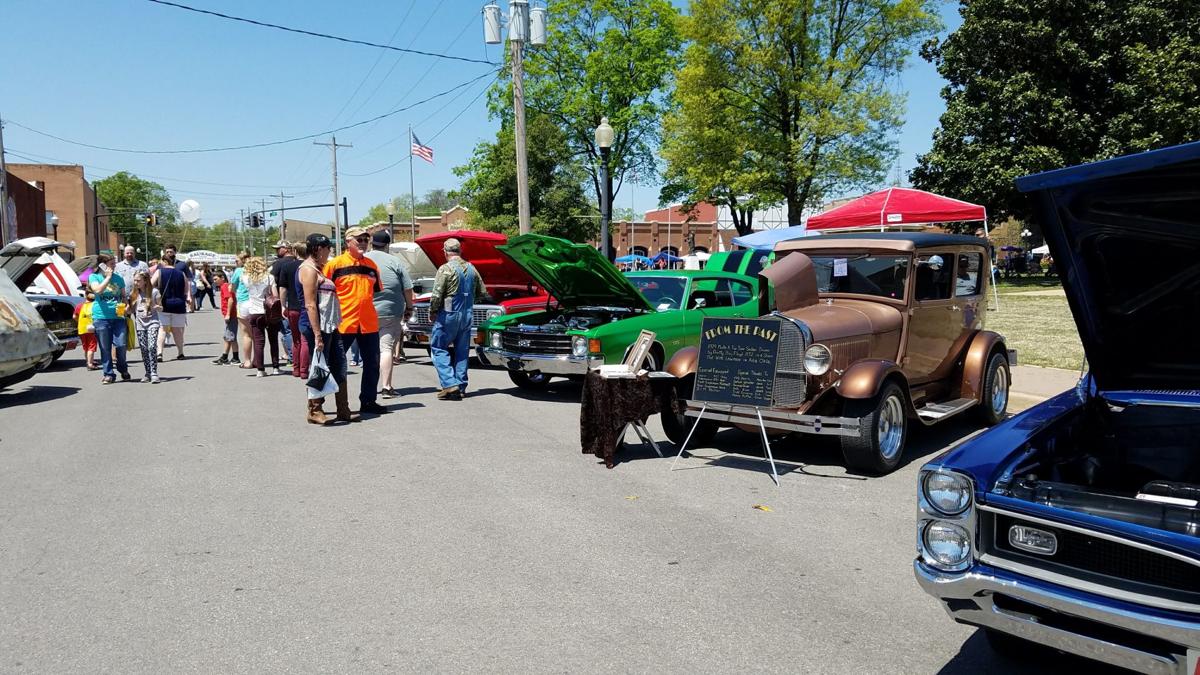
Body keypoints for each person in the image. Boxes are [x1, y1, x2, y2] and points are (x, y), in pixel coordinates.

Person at [323, 226, 388, 415]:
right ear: (348, 242)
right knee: (336, 365)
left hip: (368, 323)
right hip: (344, 322)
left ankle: (368, 401)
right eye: (358, 240)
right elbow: (324, 294)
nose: (362, 243)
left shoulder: (371, 266)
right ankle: (329, 403)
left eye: (365, 240)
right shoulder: (334, 265)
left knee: (373, 363)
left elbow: (375, 292)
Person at [299, 233, 354, 424]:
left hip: (330, 325)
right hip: (317, 326)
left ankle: (343, 409)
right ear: (317, 249)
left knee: (339, 364)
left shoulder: (318, 269)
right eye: (327, 248)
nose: (329, 251)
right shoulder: (308, 270)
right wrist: (317, 334)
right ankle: (314, 410)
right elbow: (310, 304)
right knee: (320, 367)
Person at [428, 237, 487, 400]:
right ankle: (461, 386)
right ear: (460, 251)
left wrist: (433, 311)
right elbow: (482, 292)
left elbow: (437, 294)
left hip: (449, 313)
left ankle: (449, 384)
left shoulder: (445, 269)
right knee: (462, 350)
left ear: (445, 252)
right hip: (467, 313)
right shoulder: (472, 268)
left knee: (439, 347)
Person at [364, 229, 415, 399]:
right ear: (387, 245)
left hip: (365, 312)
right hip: (390, 312)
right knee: (386, 348)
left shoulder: (363, 260)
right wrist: (409, 307)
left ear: (372, 243)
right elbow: (408, 288)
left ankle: (368, 389)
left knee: (370, 351)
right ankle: (386, 387)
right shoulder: (395, 262)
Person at [88, 253, 131, 384]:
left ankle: (122, 368)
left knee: (121, 344)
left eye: (114, 263)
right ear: (102, 265)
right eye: (111, 264)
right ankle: (108, 374)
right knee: (105, 347)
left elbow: (123, 296)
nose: (114, 266)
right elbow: (97, 291)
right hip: (101, 317)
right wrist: (107, 278)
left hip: (118, 316)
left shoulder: (119, 279)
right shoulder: (94, 277)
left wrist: (126, 305)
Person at [239, 257, 281, 377]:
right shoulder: (269, 277)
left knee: (258, 342)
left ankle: (260, 370)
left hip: (254, 311)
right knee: (273, 340)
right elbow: (275, 295)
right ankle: (276, 367)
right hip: (269, 312)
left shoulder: (246, 278)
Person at [273, 240, 309, 379]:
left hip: (292, 306)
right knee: (305, 339)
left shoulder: (287, 267)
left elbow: (282, 288)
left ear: (295, 252)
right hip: (307, 306)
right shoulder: (311, 266)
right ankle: (305, 370)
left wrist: (283, 305)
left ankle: (296, 368)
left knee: (296, 340)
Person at [153, 244, 190, 361]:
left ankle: (159, 353)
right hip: (179, 305)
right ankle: (180, 352)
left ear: (164, 261)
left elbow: (150, 284)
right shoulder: (181, 273)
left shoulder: (159, 272)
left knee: (162, 329)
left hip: (164, 304)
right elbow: (186, 289)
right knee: (177, 330)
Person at [128, 271, 162, 383]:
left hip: (153, 322)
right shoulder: (133, 294)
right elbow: (130, 310)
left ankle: (154, 373)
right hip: (140, 324)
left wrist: (157, 307)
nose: (136, 282)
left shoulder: (154, 292)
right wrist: (125, 310)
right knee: (144, 349)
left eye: (138, 280)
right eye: (135, 280)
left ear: (145, 281)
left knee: (152, 346)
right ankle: (147, 372)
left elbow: (161, 307)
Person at [268, 241, 296, 366]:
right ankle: (298, 355)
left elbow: (271, 280)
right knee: (297, 330)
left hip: (285, 298)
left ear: (285, 249)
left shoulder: (279, 264)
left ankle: (292, 357)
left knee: (286, 329)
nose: (276, 251)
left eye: (278, 249)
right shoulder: (298, 261)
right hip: (298, 298)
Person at [212, 270, 241, 365]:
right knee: (228, 337)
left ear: (222, 278)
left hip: (231, 315)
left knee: (231, 337)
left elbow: (231, 300)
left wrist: (228, 313)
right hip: (230, 315)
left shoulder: (225, 286)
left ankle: (235, 358)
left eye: (216, 279)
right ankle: (225, 357)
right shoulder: (224, 286)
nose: (214, 281)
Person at [229, 251, 253, 367]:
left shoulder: (238, 271)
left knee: (246, 334)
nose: (236, 263)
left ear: (241, 260)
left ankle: (247, 361)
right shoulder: (255, 270)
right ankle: (259, 359)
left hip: (243, 302)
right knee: (258, 334)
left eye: (237, 260)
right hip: (256, 303)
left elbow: (232, 289)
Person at [75, 292, 98, 371]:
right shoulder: (95, 305)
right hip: (92, 328)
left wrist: (79, 321)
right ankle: (90, 364)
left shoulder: (79, 306)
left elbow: (74, 316)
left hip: (82, 328)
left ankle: (88, 361)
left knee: (86, 347)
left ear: (85, 296)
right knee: (91, 347)